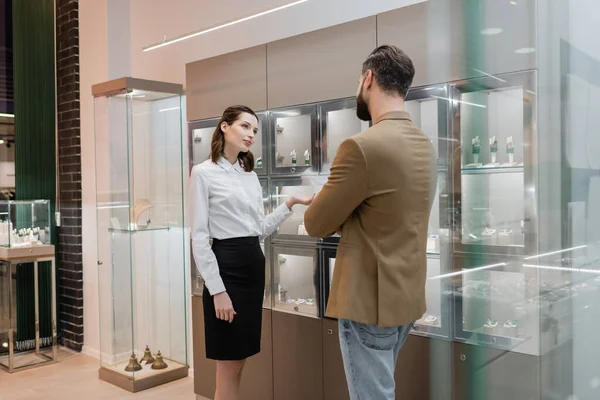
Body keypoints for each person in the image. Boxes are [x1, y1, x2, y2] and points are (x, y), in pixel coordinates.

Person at [304, 45, 436, 400]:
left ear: (368, 78)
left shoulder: (361, 147)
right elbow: (391, 213)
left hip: (368, 303)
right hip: (405, 298)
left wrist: (341, 217)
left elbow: (316, 223)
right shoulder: (425, 144)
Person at [189, 105, 313, 400]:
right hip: (226, 270)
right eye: (245, 126)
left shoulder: (250, 176)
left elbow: (258, 230)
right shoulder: (203, 173)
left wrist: (290, 203)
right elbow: (198, 237)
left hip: (252, 268)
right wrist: (217, 290)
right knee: (228, 365)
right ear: (224, 127)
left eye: (255, 130)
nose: (251, 135)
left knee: (239, 361)